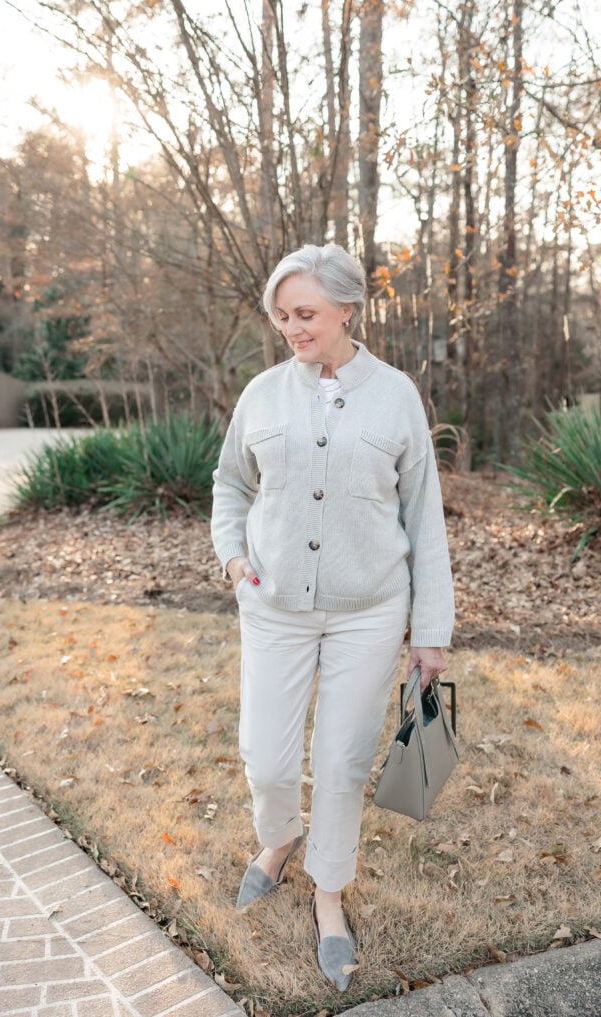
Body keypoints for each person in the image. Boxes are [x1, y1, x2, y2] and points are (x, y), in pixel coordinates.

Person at [210, 243, 454, 991]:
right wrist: (231, 559)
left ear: (348, 309)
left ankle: (327, 895)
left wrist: (431, 631)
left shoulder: (396, 395)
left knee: (342, 764)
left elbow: (424, 514)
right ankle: (278, 838)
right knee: (268, 759)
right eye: (282, 315)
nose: (292, 327)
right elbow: (229, 483)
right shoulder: (260, 393)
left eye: (306, 313)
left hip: (368, 613)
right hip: (275, 608)